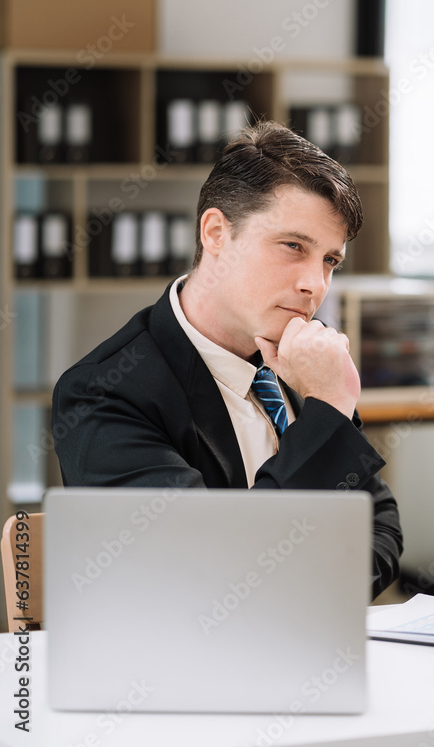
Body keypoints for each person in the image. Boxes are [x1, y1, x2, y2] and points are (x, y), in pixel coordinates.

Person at [52, 120, 402, 600]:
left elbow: (379, 523)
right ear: (216, 233)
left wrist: (311, 591)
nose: (315, 285)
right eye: (293, 246)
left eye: (329, 261)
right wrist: (329, 405)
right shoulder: (103, 392)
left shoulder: (301, 363)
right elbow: (221, 575)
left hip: (312, 646)